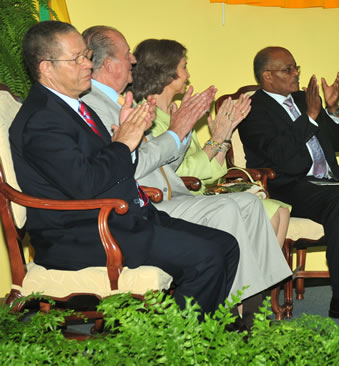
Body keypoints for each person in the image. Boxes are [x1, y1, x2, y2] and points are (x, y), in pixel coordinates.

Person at [9, 21, 239, 315]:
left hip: (121, 217)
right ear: (47, 68)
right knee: (206, 257)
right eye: (77, 59)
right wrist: (123, 144)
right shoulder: (41, 120)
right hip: (82, 234)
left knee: (225, 244)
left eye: (87, 55)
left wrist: (127, 139)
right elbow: (85, 184)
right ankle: (178, 346)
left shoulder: (74, 107)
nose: (87, 65)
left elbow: (105, 166)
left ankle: (207, 335)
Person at [81, 26, 290, 323]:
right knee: (230, 207)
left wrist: (187, 132)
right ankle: (230, 314)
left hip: (170, 192)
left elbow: (167, 161)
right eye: (127, 55)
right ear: (109, 64)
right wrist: (177, 133)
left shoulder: (120, 101)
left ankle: (251, 307)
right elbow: (133, 164)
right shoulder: (95, 106)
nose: (133, 61)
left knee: (250, 203)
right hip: (144, 202)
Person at [238, 46, 339, 320]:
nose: (296, 73)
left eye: (297, 67)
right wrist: (308, 117)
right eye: (288, 69)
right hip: (287, 185)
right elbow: (278, 155)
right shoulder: (253, 109)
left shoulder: (303, 98)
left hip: (325, 182)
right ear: (268, 76)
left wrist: (331, 109)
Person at [129, 38, 291, 246]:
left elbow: (214, 171)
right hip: (179, 196)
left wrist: (224, 136)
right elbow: (178, 172)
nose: (188, 75)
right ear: (167, 71)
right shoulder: (148, 116)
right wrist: (215, 140)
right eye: (184, 67)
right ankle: (249, 276)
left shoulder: (175, 112)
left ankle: (264, 278)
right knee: (268, 211)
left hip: (199, 190)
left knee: (280, 210)